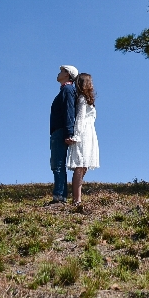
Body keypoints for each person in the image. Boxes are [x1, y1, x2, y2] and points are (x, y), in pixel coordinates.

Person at [67, 72, 99, 208]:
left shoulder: (86, 99)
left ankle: (77, 197)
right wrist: (77, 135)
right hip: (83, 134)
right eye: (90, 82)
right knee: (80, 166)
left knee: (83, 166)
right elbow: (80, 118)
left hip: (89, 133)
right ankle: (77, 199)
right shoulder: (81, 99)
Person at [47, 65, 77, 205]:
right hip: (58, 131)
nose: (58, 73)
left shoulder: (68, 89)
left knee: (58, 164)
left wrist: (69, 132)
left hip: (60, 131)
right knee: (56, 164)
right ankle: (59, 195)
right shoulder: (65, 90)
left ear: (67, 74)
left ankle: (59, 197)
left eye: (61, 71)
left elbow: (69, 111)